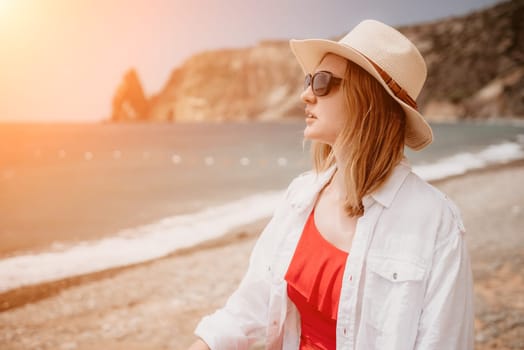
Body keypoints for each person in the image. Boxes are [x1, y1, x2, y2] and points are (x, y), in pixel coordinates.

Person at [187, 19, 474, 350]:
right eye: (309, 80)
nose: (305, 94)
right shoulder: (300, 196)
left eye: (321, 82)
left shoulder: (437, 222)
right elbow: (250, 306)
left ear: (366, 98)